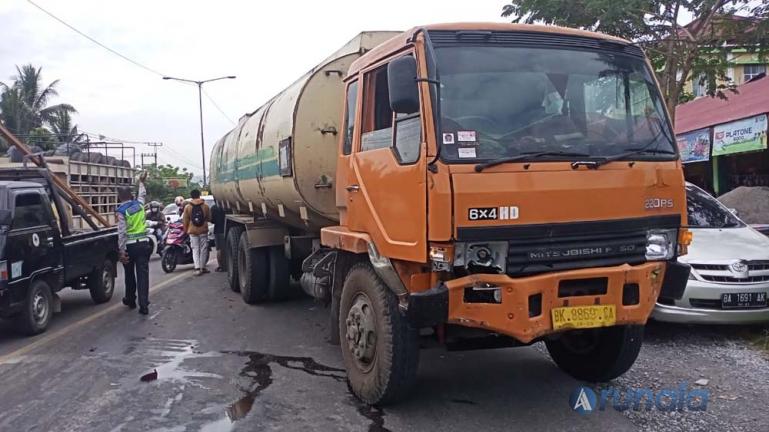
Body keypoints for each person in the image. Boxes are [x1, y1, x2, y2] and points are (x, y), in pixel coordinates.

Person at [117, 172, 152, 315]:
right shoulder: (139, 205)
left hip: (130, 246)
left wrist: (121, 250)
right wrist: (141, 182)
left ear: (119, 197)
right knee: (143, 275)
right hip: (143, 244)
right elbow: (142, 194)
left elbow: (122, 232)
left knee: (129, 273)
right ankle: (144, 305)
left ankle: (131, 299)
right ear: (131, 195)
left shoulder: (121, 211)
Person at [182, 189, 211, 275]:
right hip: (203, 230)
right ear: (199, 195)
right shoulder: (205, 206)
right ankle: (203, 267)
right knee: (204, 248)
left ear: (191, 196)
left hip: (192, 230)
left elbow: (185, 220)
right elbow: (209, 218)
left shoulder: (187, 207)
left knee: (195, 249)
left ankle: (197, 268)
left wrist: (186, 230)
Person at [210, 200, 226, 272]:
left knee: (219, 249)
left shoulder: (213, 208)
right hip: (226, 229)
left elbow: (212, 220)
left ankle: (221, 266)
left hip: (218, 230)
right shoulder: (226, 206)